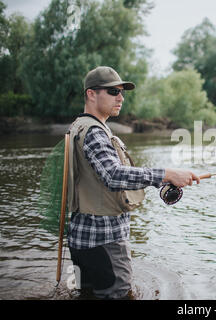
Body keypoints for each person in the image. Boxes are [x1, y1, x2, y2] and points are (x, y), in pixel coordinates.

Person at [66, 66, 200, 299]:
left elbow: (102, 174)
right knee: (119, 294)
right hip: (104, 239)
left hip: (82, 237)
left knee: (87, 295)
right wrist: (166, 174)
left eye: (121, 92)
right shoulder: (95, 132)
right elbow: (114, 175)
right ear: (91, 94)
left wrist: (163, 181)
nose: (120, 97)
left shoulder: (78, 126)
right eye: (112, 91)